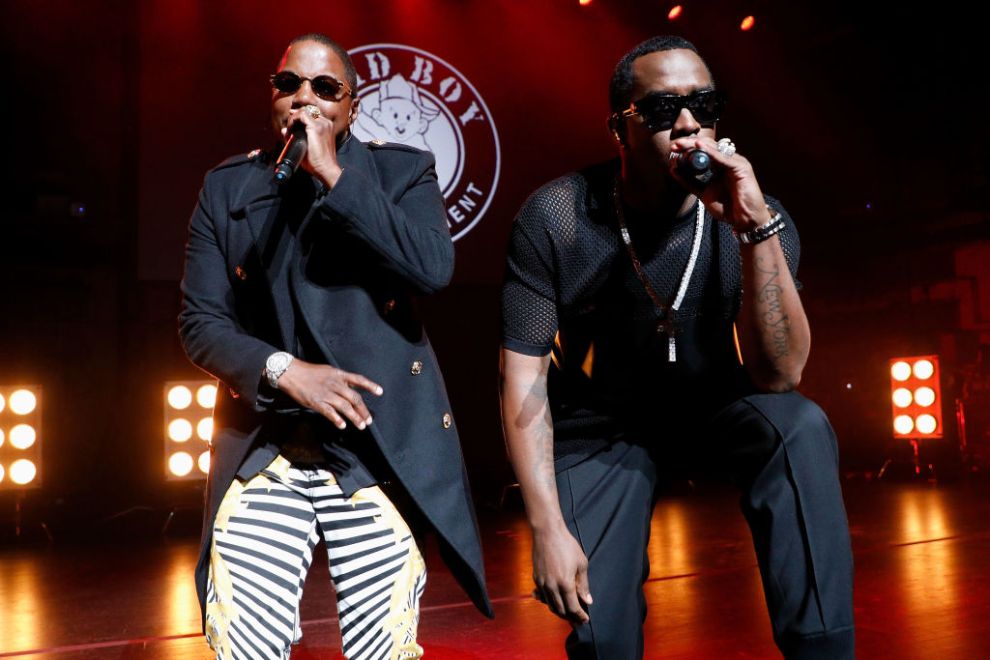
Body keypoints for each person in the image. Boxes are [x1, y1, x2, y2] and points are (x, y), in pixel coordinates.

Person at [499, 35, 854, 658]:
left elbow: (781, 374)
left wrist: (753, 231)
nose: (690, 125)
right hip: (604, 427)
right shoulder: (557, 217)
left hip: (715, 410)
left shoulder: (757, 216)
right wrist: (546, 526)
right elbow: (523, 379)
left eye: (705, 106)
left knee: (798, 424)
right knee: (601, 636)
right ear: (621, 128)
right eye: (664, 111)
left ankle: (823, 649)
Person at [179, 33, 491, 660]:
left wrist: (336, 178)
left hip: (375, 452)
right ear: (272, 96)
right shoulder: (228, 188)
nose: (305, 100)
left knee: (383, 649)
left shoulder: (402, 172)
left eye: (324, 88)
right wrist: (283, 369)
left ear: (352, 103)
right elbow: (200, 322)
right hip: (268, 448)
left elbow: (432, 267)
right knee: (246, 645)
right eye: (289, 84)